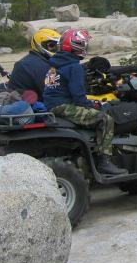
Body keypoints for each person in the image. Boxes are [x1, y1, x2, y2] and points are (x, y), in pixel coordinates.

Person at [43, 29, 126, 176]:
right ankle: (104, 161)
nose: (85, 48)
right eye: (83, 44)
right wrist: (95, 106)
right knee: (106, 119)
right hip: (64, 106)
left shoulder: (54, 65)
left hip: (51, 106)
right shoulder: (74, 66)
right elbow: (79, 97)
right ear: (76, 46)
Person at [9, 28, 60, 97]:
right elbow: (51, 91)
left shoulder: (36, 59)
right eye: (51, 45)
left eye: (58, 46)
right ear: (39, 45)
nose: (56, 49)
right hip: (27, 103)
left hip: (27, 99)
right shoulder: (36, 65)